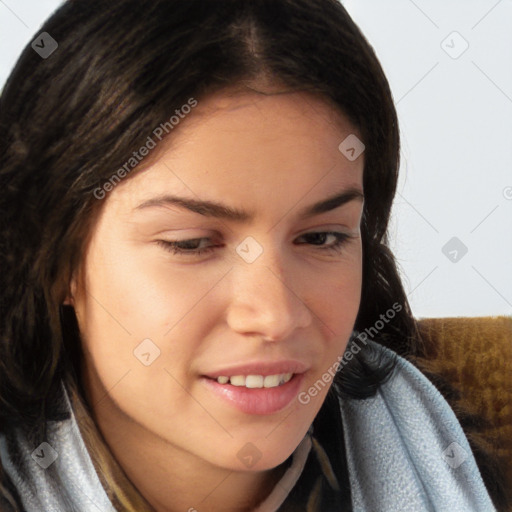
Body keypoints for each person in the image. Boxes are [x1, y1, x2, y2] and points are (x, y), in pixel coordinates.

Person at [0, 0, 508, 511]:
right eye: (192, 243)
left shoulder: (463, 442)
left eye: (321, 237)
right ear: (55, 257)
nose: (276, 316)